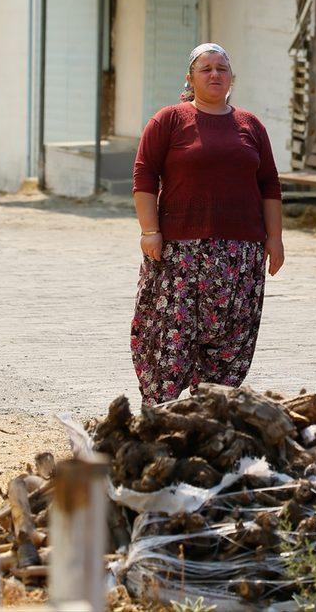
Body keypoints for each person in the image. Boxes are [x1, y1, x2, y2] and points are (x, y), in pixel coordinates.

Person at [131, 42, 284, 405]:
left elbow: (270, 183)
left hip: (240, 253)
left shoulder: (250, 125)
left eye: (222, 68)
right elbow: (144, 175)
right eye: (206, 68)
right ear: (190, 78)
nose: (215, 74)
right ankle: (161, 410)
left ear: (232, 78)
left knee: (230, 335)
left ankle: (211, 409)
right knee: (170, 335)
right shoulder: (169, 119)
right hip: (180, 253)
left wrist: (274, 238)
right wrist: (150, 230)